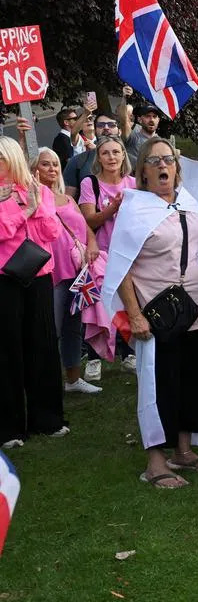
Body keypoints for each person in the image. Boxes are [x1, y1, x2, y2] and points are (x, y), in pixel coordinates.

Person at [104, 137, 198, 488]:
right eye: (153, 162)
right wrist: (134, 313)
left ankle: (183, 451)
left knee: (195, 379)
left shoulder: (189, 200)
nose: (162, 166)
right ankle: (155, 461)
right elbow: (122, 265)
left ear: (177, 167)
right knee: (160, 384)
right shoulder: (135, 209)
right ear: (142, 173)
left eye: (167, 160)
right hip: (158, 314)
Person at [0, 136, 68, 450]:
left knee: (42, 344)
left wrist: (36, 208)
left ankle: (48, 419)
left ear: (11, 160)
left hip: (38, 275)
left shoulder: (36, 190)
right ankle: (9, 426)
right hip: (4, 280)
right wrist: (22, 213)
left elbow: (51, 233)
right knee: (6, 350)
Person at [35, 148, 101, 395]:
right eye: (45, 164)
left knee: (73, 326)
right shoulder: (34, 198)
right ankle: (46, 383)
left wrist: (92, 244)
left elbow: (85, 228)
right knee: (50, 328)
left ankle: (73, 379)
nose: (52, 168)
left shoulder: (68, 199)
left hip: (77, 270)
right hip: (51, 272)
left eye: (54, 164)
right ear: (34, 169)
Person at [79, 136, 135, 252]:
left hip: (131, 251)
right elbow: (89, 222)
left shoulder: (134, 183)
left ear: (123, 155)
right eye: (105, 153)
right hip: (103, 252)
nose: (111, 157)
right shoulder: (89, 183)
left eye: (116, 152)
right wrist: (112, 208)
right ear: (99, 158)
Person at [63, 110, 121, 198]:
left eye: (111, 125)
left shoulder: (134, 161)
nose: (106, 128)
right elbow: (68, 202)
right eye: (100, 125)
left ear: (120, 131)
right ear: (95, 129)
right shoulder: (77, 162)